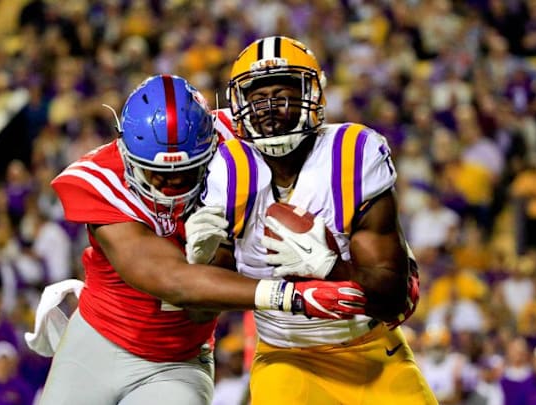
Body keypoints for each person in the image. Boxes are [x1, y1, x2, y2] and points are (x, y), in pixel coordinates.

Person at [36, 74, 366, 405]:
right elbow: (172, 281)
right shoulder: (101, 179)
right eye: (157, 174)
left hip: (177, 361)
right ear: (127, 156)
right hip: (96, 341)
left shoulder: (238, 142)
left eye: (185, 172)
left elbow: (328, 158)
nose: (170, 185)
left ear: (210, 150)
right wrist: (291, 296)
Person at [186, 36, 436, 403]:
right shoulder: (228, 169)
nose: (269, 108)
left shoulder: (352, 155)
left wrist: (332, 268)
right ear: (240, 104)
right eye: (257, 98)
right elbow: (199, 313)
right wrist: (202, 266)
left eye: (282, 93)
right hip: (285, 356)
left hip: (367, 349)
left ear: (312, 95)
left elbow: (392, 300)